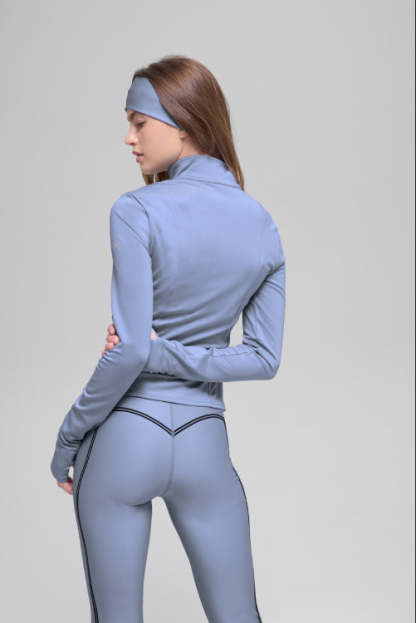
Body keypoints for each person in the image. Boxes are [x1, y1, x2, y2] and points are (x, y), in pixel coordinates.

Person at [50, 55, 286, 623]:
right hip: (205, 442)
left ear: (183, 122)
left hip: (124, 438)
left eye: (139, 123)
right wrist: (173, 353)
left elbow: (132, 350)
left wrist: (68, 437)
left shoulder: (135, 209)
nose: (128, 138)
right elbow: (264, 359)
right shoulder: (261, 223)